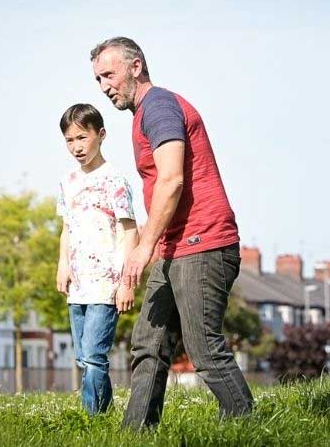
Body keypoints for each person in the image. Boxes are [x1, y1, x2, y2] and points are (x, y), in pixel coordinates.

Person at [90, 37, 254, 428]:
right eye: (97, 79)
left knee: (204, 349)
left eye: (109, 74)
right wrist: (152, 244)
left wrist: (143, 248)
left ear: (135, 66)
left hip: (202, 243)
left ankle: (248, 427)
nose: (104, 86)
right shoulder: (145, 114)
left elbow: (172, 181)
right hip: (174, 246)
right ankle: (136, 433)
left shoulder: (159, 106)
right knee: (149, 344)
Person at [56, 103, 138, 414]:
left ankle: (93, 417)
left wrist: (127, 283)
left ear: (100, 135)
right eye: (69, 140)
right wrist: (62, 265)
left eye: (82, 138)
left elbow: (131, 232)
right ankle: (104, 414)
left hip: (107, 284)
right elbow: (67, 227)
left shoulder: (114, 180)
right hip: (78, 284)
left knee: (93, 355)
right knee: (83, 357)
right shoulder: (68, 182)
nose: (76, 147)